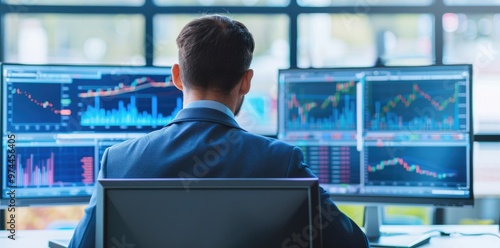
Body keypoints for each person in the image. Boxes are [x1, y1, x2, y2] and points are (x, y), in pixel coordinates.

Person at [69, 14, 370, 248]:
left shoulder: (119, 161)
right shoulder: (281, 162)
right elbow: (352, 243)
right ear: (246, 81)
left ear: (176, 76)